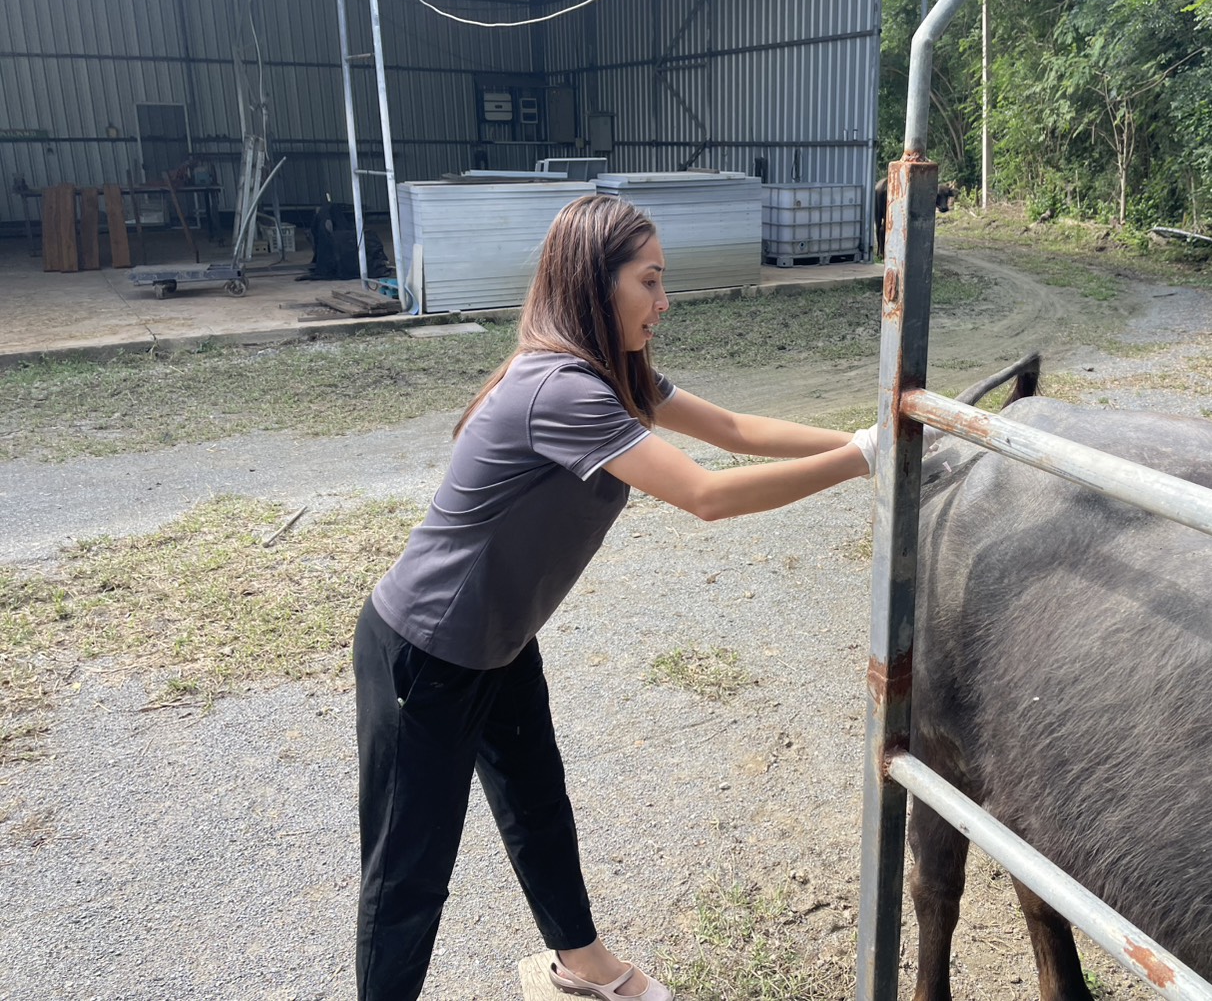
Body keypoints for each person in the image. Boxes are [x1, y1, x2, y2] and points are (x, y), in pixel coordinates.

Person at [354, 193, 886, 1001]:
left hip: (498, 639)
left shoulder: (615, 373)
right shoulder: (560, 389)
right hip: (425, 652)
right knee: (408, 873)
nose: (664, 301)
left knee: (536, 804)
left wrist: (875, 440)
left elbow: (735, 430)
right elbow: (707, 495)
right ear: (593, 284)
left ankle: (583, 962)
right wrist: (863, 460)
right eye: (650, 280)